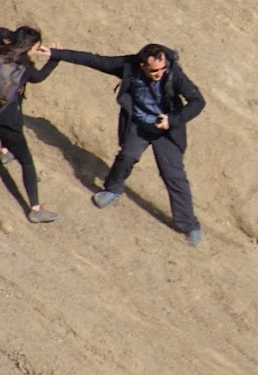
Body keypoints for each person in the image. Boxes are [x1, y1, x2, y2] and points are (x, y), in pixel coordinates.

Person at [47, 42, 206, 246]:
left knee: (174, 175)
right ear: (142, 66)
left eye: (162, 68)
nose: (160, 73)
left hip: (166, 130)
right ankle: (112, 190)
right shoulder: (128, 67)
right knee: (127, 156)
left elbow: (198, 101)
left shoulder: (174, 72)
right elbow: (94, 60)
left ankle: (189, 224)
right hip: (139, 125)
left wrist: (172, 120)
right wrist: (55, 53)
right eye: (154, 71)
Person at [0, 25, 60, 223]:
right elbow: (39, 78)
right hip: (1, 123)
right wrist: (55, 57)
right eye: (35, 47)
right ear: (30, 47)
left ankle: (5, 152)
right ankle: (35, 209)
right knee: (27, 161)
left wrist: (17, 38)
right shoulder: (27, 70)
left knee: (15, 106)